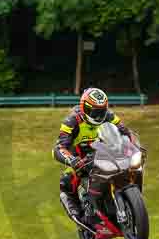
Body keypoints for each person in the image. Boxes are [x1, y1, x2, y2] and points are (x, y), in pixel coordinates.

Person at [53, 88, 133, 222]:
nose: (98, 116)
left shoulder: (109, 116)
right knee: (66, 180)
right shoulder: (72, 121)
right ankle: (76, 212)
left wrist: (132, 147)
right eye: (94, 112)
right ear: (84, 107)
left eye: (101, 111)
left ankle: (124, 201)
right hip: (81, 159)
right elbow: (59, 147)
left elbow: (125, 132)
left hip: (105, 154)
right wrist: (72, 160)